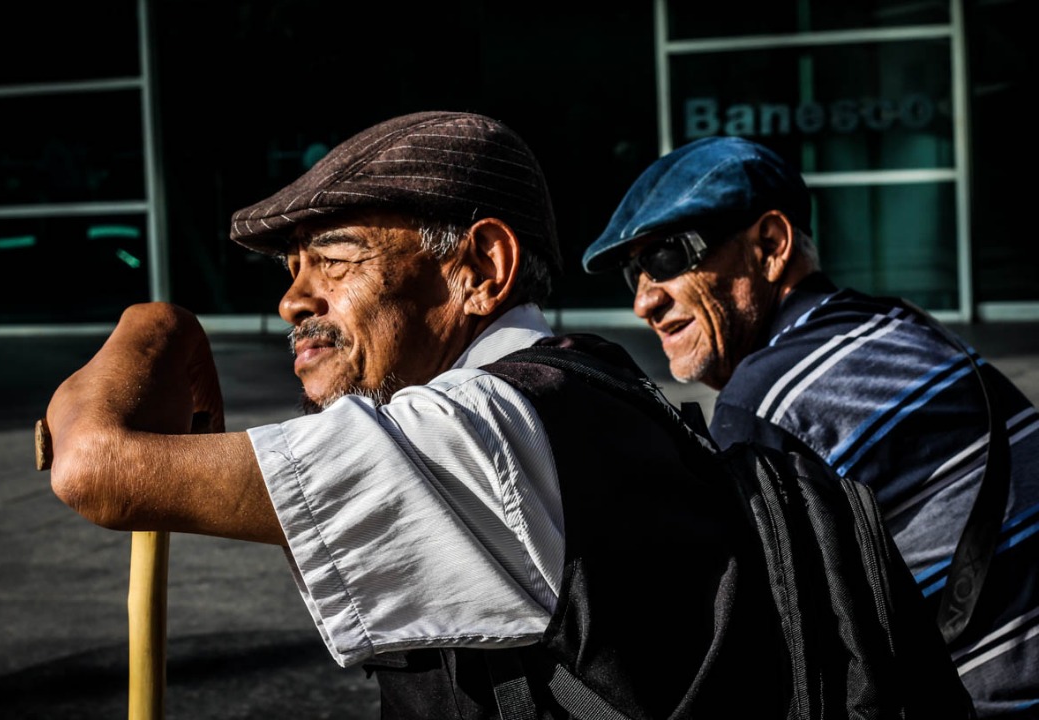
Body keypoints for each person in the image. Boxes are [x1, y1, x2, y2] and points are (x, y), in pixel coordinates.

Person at [42, 110, 792, 718]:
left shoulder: (483, 426)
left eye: (333, 260)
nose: (293, 299)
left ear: (480, 270)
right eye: (291, 269)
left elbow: (95, 467)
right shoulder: (583, 382)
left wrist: (157, 326)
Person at [581, 135, 1039, 719]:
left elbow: (765, 649)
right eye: (632, 272)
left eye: (666, 257)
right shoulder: (906, 325)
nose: (644, 300)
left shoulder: (767, 403)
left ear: (770, 245)